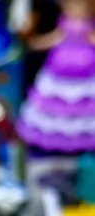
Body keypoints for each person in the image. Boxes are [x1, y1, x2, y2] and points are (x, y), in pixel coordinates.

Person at [17, 0, 95, 152]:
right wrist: (37, 43)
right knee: (57, 103)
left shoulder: (89, 26)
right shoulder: (64, 24)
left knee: (83, 103)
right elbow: (55, 37)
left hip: (85, 67)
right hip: (61, 66)